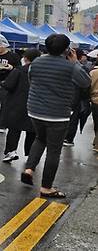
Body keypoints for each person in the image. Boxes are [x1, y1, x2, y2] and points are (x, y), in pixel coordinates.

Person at [20, 34, 90, 198]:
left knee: (40, 138)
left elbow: (32, 81)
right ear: (67, 50)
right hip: (57, 114)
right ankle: (46, 187)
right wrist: (76, 62)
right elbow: (86, 82)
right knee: (54, 150)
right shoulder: (70, 66)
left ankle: (29, 169)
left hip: (35, 110)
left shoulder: (36, 62)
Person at [1, 49, 41, 162]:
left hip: (16, 104)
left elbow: (9, 85)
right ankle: (30, 154)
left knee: (14, 129)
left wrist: (2, 83)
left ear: (26, 58)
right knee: (32, 130)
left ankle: (11, 151)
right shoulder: (41, 72)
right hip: (35, 105)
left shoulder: (19, 70)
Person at [64, 49, 92, 146]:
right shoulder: (82, 69)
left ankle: (68, 138)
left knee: (71, 119)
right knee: (72, 119)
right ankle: (68, 138)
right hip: (75, 98)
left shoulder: (65, 67)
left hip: (69, 98)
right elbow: (86, 84)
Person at [89, 65, 98, 153]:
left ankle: (96, 141)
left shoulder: (93, 73)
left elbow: (88, 86)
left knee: (96, 122)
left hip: (95, 101)